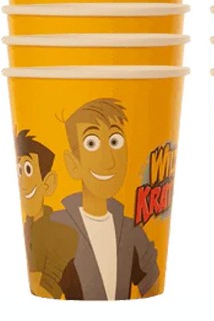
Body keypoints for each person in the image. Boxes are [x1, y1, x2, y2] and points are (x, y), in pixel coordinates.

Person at [52, 98, 160, 300]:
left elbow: (153, 283)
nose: (109, 161)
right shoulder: (56, 227)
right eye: (91, 143)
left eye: (115, 142)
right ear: (73, 163)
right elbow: (44, 287)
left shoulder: (131, 230)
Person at [15, 129, 77, 299]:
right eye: (20, 170)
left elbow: (48, 289)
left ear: (48, 183)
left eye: (28, 170)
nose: (24, 184)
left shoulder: (63, 233)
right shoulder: (31, 227)